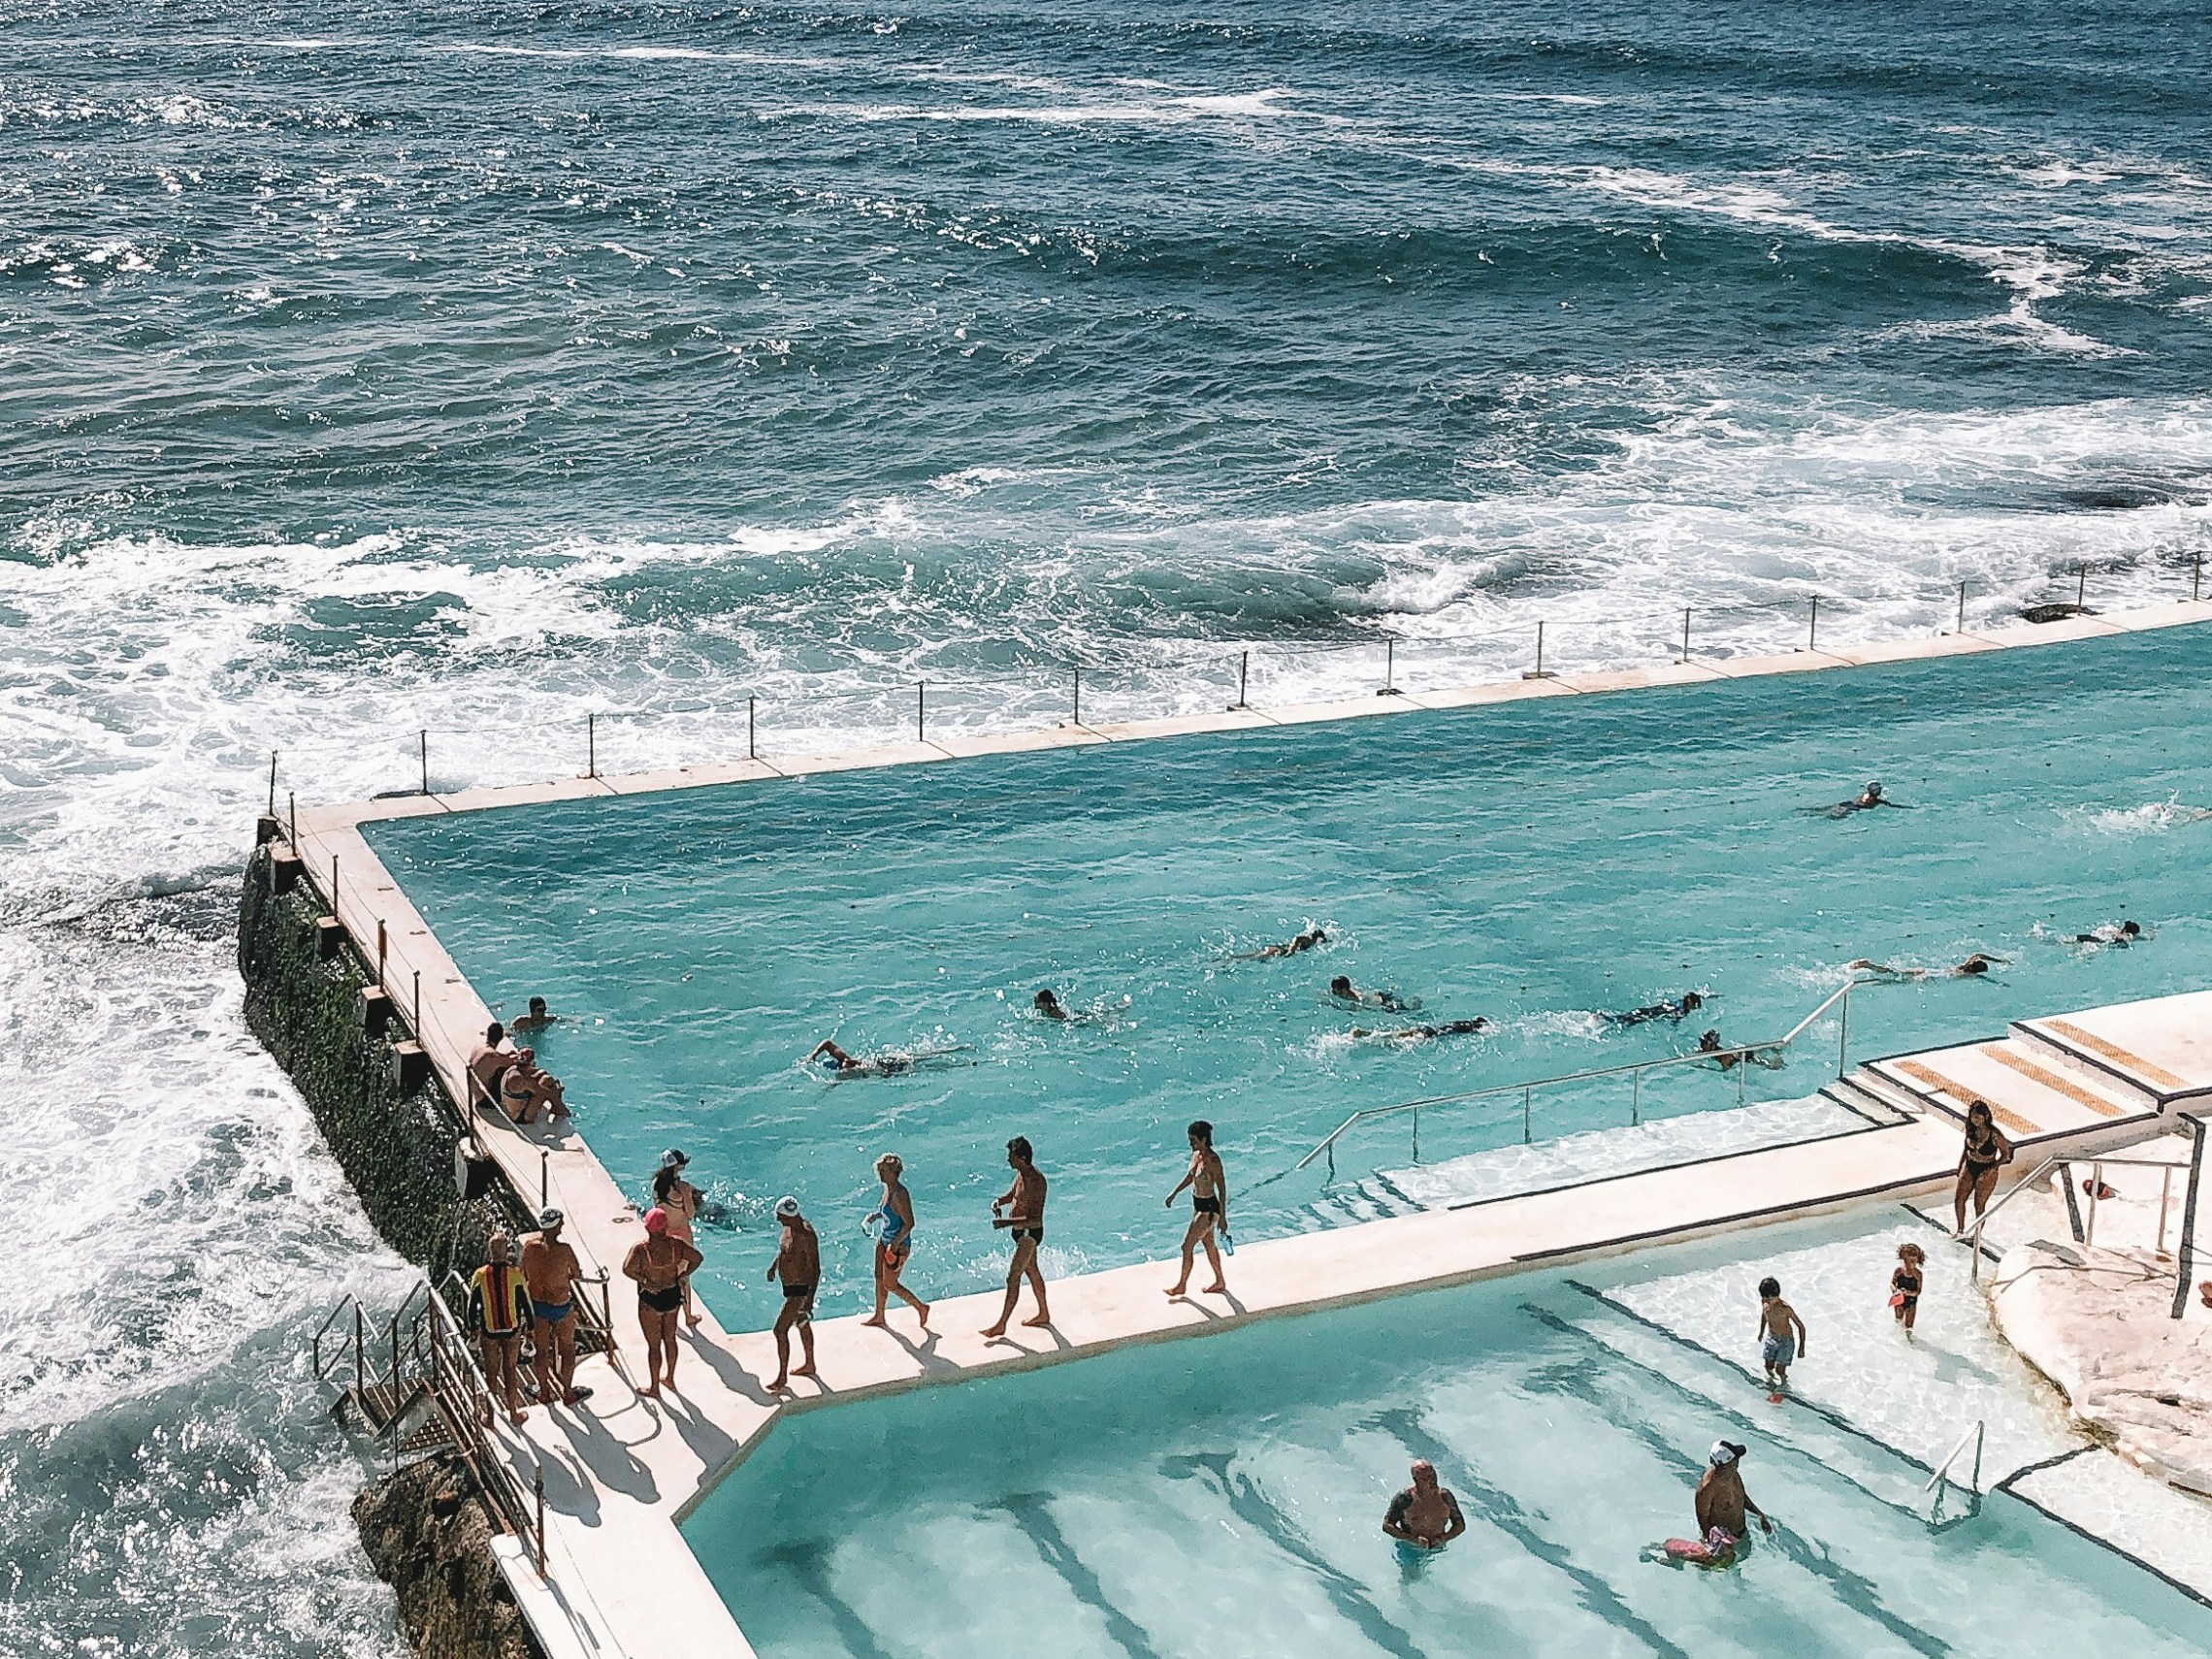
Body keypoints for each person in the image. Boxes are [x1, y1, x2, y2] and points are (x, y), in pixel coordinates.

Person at [623, 1206, 702, 1399]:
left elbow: (627, 1269)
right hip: (672, 1295)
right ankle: (670, 1378)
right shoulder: (676, 1245)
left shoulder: (642, 1250)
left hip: (651, 1299)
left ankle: (654, 1387)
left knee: (653, 1345)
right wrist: (683, 1275)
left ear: (648, 1228)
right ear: (665, 1226)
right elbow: (697, 1258)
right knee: (670, 1339)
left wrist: (644, 1281)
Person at [520, 1208, 590, 1408]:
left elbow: (524, 1273)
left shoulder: (529, 1248)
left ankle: (543, 1392)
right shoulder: (564, 1250)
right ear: (556, 1226)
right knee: (567, 1349)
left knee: (541, 1351)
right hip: (560, 1304)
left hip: (538, 1306)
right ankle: (568, 1392)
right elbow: (576, 1273)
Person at [982, 1136, 1052, 1337]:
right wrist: (998, 1202)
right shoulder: (1021, 1175)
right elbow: (1013, 1195)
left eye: (1010, 1156)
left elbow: (1035, 1220)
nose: (1007, 1160)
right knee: (1032, 1271)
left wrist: (1006, 1223)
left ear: (1021, 1158)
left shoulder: (1036, 1182)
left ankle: (1001, 1324)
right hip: (1020, 1232)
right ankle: (1044, 1313)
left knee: (1013, 1276)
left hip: (1029, 1235)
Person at [467, 1233, 534, 1426]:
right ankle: (513, 1414)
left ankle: (490, 1417)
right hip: (512, 1329)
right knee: (510, 1370)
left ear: (490, 1251)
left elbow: (472, 1305)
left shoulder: (480, 1274)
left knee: (491, 1372)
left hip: (489, 1330)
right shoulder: (515, 1274)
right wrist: (529, 1328)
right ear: (506, 1251)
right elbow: (526, 1304)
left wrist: (472, 1328)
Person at [862, 1154, 929, 1330]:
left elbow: (909, 1223)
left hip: (897, 1246)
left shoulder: (899, 1194)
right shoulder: (888, 1189)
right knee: (878, 1277)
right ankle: (879, 1315)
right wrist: (875, 1216)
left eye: (884, 1171)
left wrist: (896, 1244)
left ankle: (920, 1307)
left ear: (894, 1172)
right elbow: (889, 1213)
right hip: (884, 1240)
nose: (880, 1174)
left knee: (890, 1284)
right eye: (880, 1170)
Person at [1164, 1121, 1229, 1299]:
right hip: (1198, 1204)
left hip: (1209, 1208)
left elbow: (1222, 1190)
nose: (1190, 1144)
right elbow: (1191, 1177)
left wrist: (1223, 1218)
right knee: (1208, 1244)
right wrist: (1174, 1194)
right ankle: (1220, 1281)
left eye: (1193, 1140)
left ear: (1203, 1139)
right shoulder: (1196, 1155)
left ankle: (1181, 1286)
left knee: (1187, 1246)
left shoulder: (1213, 1161)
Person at [764, 1196, 819, 1392]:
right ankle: (810, 1363)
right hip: (790, 1288)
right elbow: (785, 1251)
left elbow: (815, 1268)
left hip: (800, 1290)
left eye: (780, 1217)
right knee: (802, 1322)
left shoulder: (806, 1235)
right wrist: (774, 1266)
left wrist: (809, 1299)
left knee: (779, 1330)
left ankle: (782, 1378)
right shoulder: (789, 1228)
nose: (778, 1220)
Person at [652, 1150, 705, 1328]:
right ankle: (688, 1316)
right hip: (682, 1236)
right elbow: (690, 1214)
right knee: (684, 1277)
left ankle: (664, 1312)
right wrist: (688, 1196)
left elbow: (658, 1213)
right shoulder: (683, 1188)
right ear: (678, 1166)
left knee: (667, 1275)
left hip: (664, 1234)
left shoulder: (655, 1185)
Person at [1693, 1441, 1772, 1556]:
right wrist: (1716, 1546)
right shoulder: (1707, 1489)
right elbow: (1703, 1521)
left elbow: (1741, 1497)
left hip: (1741, 1533)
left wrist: (1759, 1515)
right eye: (1735, 1460)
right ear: (1728, 1464)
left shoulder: (1733, 1475)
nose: (1737, 1463)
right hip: (1723, 1543)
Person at [1953, 1099, 2014, 1234]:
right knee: (1959, 1199)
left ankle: (1977, 1235)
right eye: (1972, 1116)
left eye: (1977, 1116)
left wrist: (1994, 1167)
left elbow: (2006, 1154)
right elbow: (1966, 1148)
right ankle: (1960, 1230)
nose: (1974, 1120)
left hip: (1987, 1169)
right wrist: (1960, 1167)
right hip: (1970, 1165)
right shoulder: (1971, 1129)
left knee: (1979, 1205)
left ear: (1984, 1116)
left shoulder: (1994, 1135)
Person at [1381, 1460, 1467, 1551]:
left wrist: (1444, 1538)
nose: (1432, 1480)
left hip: (1438, 1548)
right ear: (1416, 1479)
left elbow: (1460, 1525)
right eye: (1426, 1477)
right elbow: (1387, 1525)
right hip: (1410, 1548)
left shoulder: (1445, 1497)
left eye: (1433, 1475)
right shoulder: (1405, 1498)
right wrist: (1413, 1540)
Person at [1757, 1276, 1806, 1402]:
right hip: (1772, 1338)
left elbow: (1801, 1327)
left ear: (1777, 1295)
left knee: (1780, 1369)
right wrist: (1761, 1331)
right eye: (1765, 1298)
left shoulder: (1785, 1308)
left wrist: (1801, 1348)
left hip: (1786, 1341)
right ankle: (1770, 1381)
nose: (1768, 1301)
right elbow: (1764, 1316)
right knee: (1768, 1364)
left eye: (1771, 1298)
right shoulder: (1765, 1304)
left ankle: (1783, 1384)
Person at [499, 1047, 569, 1123]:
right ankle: (559, 1108)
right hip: (519, 1117)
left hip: (508, 1108)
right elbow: (543, 1092)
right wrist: (557, 1091)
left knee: (546, 1079)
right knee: (545, 1089)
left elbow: (535, 1075)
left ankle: (557, 1106)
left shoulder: (512, 1069)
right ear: (532, 1061)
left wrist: (544, 1075)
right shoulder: (525, 1079)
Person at [1848, 953, 2006, 983]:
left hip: (1926, 970)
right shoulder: (1969, 975)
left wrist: (1998, 960)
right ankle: (1868, 966)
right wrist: (2001, 984)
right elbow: (1985, 979)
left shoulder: (1963, 966)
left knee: (1896, 973)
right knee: (1894, 978)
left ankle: (1869, 968)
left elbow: (1978, 954)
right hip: (1927, 978)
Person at [467, 1022, 515, 1114]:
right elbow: (512, 1063)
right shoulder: (493, 1056)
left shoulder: (479, 1046)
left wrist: (507, 1056)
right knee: (512, 1072)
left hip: (475, 1093)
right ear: (500, 1038)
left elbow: (498, 1059)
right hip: (486, 1100)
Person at [1606, 992, 1705, 1027]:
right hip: (1650, 1015)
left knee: (1624, 1019)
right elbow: (1673, 1016)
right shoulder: (1681, 1010)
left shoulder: (1679, 1003)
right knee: (1626, 1020)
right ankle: (1604, 1018)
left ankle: (1605, 1017)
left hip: (1648, 1012)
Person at [1352, 1018, 1490, 1042]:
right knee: (1397, 1040)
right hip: (1430, 1034)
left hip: (1429, 1029)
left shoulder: (1461, 1022)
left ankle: (1367, 1033)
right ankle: (1369, 1035)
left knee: (1397, 1034)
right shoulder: (1467, 1029)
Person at [1890, 1242, 1926, 1338]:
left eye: (1913, 1262)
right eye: (1907, 1261)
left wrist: (1908, 1293)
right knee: (1898, 1321)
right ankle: (1896, 1338)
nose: (1910, 1264)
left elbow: (1918, 1291)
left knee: (1909, 1327)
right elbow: (1892, 1283)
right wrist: (1895, 1291)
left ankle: (1909, 1341)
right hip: (1899, 1300)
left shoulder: (1918, 1275)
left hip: (1911, 1301)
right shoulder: (1899, 1271)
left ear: (1917, 1261)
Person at [1821, 780, 1907, 817]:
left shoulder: (1864, 794)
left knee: (1822, 810)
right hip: (1853, 808)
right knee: (1831, 817)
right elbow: (1892, 805)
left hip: (1847, 803)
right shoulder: (1876, 801)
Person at [1329, 976, 1415, 1012]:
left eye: (1335, 990)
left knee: (1406, 1011)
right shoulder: (1349, 991)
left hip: (1382, 1002)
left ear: (1344, 990)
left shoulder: (1356, 998)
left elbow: (1363, 1006)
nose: (1333, 992)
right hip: (1378, 995)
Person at [1238, 927, 1326, 960]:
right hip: (1279, 950)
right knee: (1252, 958)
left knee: (1252, 956)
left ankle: (1234, 959)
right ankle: (1232, 961)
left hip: (1278, 948)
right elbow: (1297, 939)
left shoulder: (1310, 941)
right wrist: (1291, 951)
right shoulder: (1309, 940)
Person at [2075, 920, 2145, 947]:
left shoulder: (2115, 929)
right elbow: (2123, 938)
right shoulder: (2127, 936)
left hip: (2096, 937)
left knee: (2074, 939)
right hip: (2098, 941)